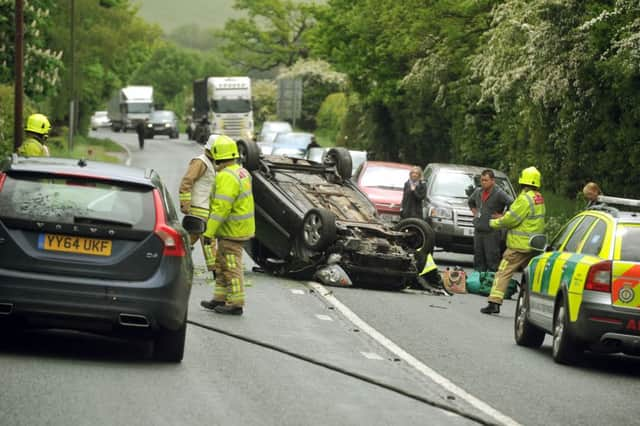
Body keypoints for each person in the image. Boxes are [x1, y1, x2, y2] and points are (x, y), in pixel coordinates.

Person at [200, 135, 255, 315]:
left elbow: (221, 208)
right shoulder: (240, 171)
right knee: (222, 264)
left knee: (231, 266)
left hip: (232, 231)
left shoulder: (226, 176)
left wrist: (208, 232)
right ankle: (220, 298)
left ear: (217, 155)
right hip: (236, 229)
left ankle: (236, 303)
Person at [480, 166, 545, 314]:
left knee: (503, 272)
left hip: (518, 246)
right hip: (534, 245)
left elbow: (511, 220)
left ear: (523, 181)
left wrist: (493, 223)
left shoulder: (524, 199)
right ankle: (535, 306)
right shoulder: (538, 198)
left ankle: (494, 303)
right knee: (532, 277)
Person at [179, 136, 218, 278]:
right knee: (208, 239)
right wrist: (185, 203)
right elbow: (187, 181)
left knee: (190, 239)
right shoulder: (200, 162)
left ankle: (174, 261)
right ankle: (216, 271)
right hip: (198, 208)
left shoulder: (211, 162)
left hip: (204, 208)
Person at [468, 169, 513, 272]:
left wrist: (502, 215)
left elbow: (512, 204)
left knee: (492, 259)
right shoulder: (478, 191)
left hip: (492, 231)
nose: (483, 182)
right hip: (479, 230)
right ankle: (479, 281)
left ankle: (491, 282)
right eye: (482, 180)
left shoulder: (499, 193)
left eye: (486, 180)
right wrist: (475, 212)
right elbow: (470, 202)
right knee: (478, 259)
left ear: (492, 181)